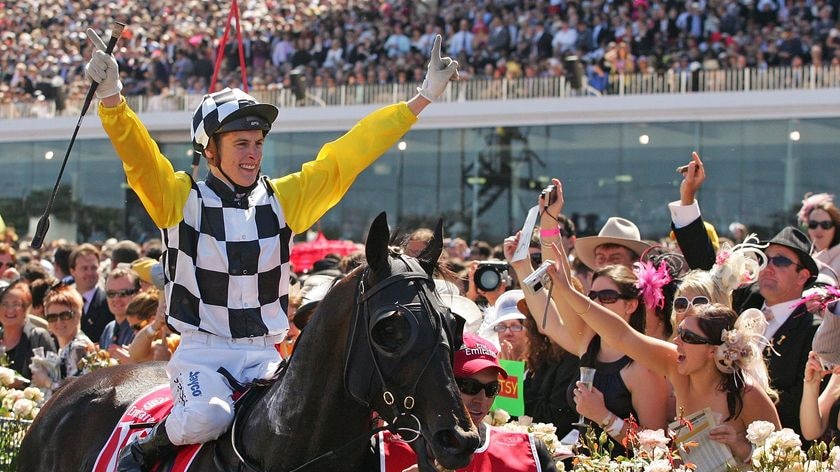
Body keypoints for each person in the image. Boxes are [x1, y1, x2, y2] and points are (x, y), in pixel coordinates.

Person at [85, 27, 459, 472]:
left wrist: (420, 101)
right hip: (203, 356)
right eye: (241, 143)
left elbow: (347, 156)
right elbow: (140, 158)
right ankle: (146, 448)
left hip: (267, 356)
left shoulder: (285, 199)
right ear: (209, 149)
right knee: (209, 416)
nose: (252, 154)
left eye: (258, 143)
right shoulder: (178, 199)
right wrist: (112, 99)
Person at [546, 239, 781, 463]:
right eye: (678, 332)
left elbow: (786, 457)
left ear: (713, 350)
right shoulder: (676, 366)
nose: (676, 342)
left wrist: (743, 447)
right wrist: (567, 290)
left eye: (688, 337)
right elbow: (621, 335)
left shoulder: (745, 392)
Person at [670, 152, 820, 436]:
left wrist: (751, 436)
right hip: (714, 435)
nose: (769, 267)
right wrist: (688, 197)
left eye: (781, 261)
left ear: (804, 276)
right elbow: (705, 263)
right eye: (766, 258)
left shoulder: (812, 328)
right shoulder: (743, 299)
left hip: (774, 447)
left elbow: (801, 401)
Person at [377, 333, 558, 471]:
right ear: (441, 383)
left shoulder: (529, 450)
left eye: (491, 389)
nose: (481, 399)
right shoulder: (385, 448)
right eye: (469, 386)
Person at [31, 283, 93, 390]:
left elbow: (75, 392)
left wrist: (46, 381)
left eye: (65, 315)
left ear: (78, 314)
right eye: (52, 317)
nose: (59, 322)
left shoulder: (78, 347)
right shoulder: (68, 346)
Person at [0, 281, 56, 383]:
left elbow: (54, 377)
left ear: (26, 309)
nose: (10, 310)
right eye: (4, 304)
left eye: (16, 304)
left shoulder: (38, 337)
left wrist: (22, 384)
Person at [70, 243, 113, 342]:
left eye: (94, 268)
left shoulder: (109, 302)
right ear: (72, 271)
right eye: (84, 268)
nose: (89, 273)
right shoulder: (65, 301)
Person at [798, 192, 840, 278]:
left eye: (825, 225)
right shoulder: (800, 260)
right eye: (813, 224)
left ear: (835, 228)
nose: (819, 229)